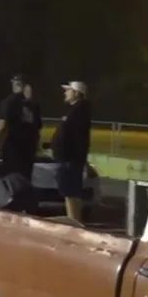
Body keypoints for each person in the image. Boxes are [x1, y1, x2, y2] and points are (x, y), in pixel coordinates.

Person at [51, 80, 92, 225]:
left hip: (69, 159)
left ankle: (74, 222)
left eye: (68, 90)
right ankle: (75, 220)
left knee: (70, 192)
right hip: (70, 158)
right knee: (70, 192)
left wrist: (63, 151)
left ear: (76, 93)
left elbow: (73, 136)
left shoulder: (78, 112)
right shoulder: (76, 111)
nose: (65, 93)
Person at [0, 74, 36, 180]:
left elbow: (1, 127)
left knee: (10, 182)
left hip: (12, 151)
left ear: (15, 84)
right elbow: (37, 128)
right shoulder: (32, 105)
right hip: (28, 152)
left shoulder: (9, 102)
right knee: (24, 182)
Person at [23, 81, 43, 158]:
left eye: (30, 91)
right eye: (27, 91)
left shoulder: (35, 107)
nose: (29, 93)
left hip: (32, 139)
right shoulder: (18, 105)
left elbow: (39, 124)